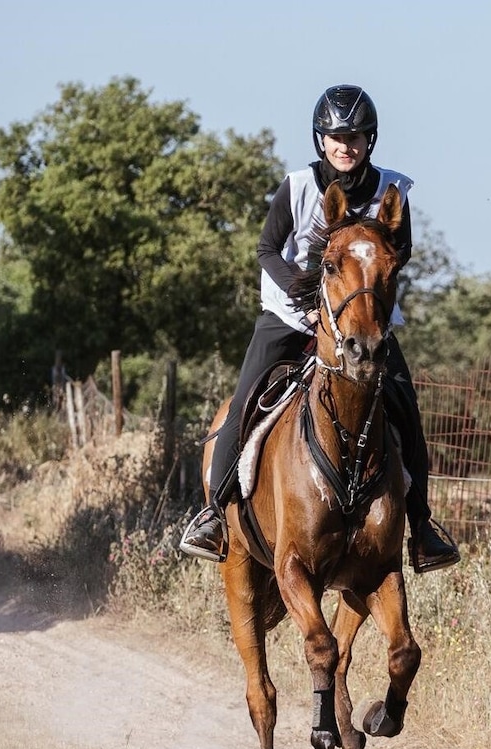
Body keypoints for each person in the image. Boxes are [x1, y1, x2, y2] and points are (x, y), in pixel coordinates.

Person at [181, 84, 460, 573]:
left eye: (354, 137)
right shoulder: (298, 186)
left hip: (362, 325)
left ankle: (422, 528)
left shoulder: (393, 191)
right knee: (245, 399)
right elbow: (267, 250)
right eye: (335, 137)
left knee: (405, 408)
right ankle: (213, 515)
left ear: (369, 140)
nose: (344, 146)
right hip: (290, 318)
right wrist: (308, 300)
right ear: (320, 140)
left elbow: (401, 252)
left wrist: (365, 298)